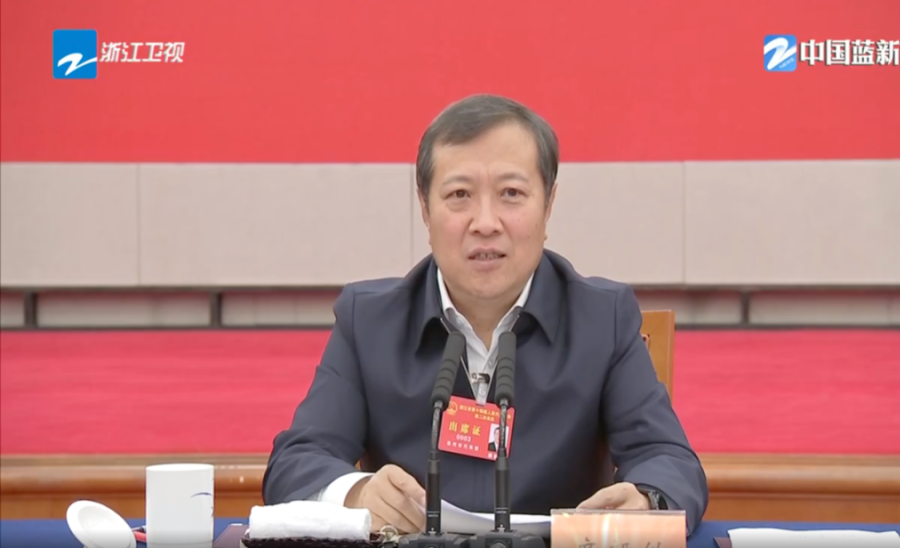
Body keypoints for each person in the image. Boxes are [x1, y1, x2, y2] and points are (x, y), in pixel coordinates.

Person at [262, 94, 708, 536]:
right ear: (425, 208)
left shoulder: (602, 318)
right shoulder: (370, 322)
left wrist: (647, 500)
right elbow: (295, 462)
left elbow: (670, 461)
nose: (486, 223)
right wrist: (357, 495)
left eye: (511, 194)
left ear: (548, 204)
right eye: (459, 195)